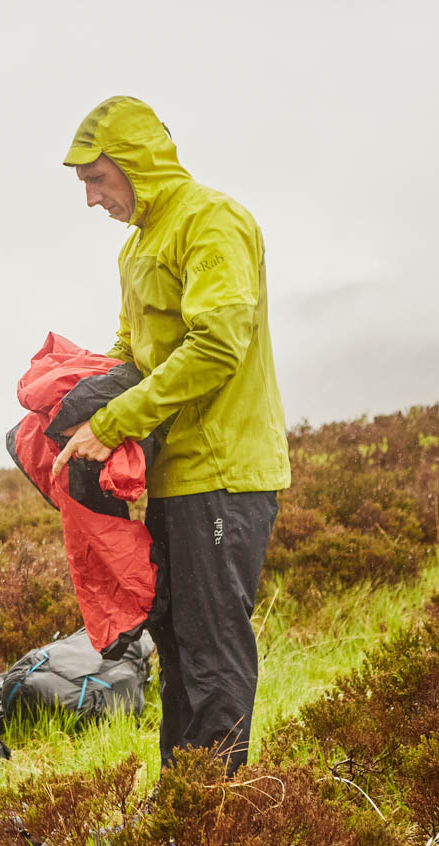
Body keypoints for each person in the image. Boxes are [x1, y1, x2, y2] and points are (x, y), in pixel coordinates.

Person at [51, 96, 289, 773]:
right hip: (174, 476)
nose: (93, 199)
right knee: (177, 643)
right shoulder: (137, 249)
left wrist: (115, 422)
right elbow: (133, 353)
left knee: (212, 645)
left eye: (98, 181)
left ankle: (212, 815)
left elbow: (218, 345)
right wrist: (74, 400)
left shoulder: (212, 220)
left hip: (226, 472)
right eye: (86, 186)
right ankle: (179, 805)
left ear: (137, 165)